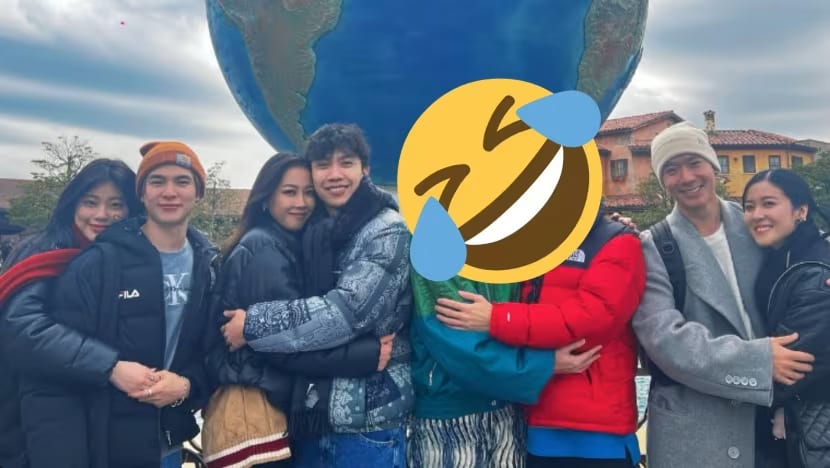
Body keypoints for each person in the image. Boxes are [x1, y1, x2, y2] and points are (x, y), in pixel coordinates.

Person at [18, 141, 220, 468]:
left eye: (182, 181)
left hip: (167, 442)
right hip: (103, 445)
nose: (169, 192)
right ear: (142, 194)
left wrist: (187, 386)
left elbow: (211, 351)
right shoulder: (94, 263)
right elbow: (48, 368)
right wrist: (111, 368)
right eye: (157, 181)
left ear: (198, 192)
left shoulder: (209, 266)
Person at [222, 123, 412, 467]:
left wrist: (252, 325)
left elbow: (343, 315)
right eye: (323, 165)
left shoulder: (386, 231)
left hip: (367, 422)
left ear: (365, 169)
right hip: (313, 414)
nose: (334, 174)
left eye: (346, 162)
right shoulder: (313, 230)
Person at [632, 122, 816, 468]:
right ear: (662, 180)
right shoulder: (653, 246)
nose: (686, 177)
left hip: (776, 421)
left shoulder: (756, 222)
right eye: (671, 169)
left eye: (694, 163)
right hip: (699, 433)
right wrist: (760, 360)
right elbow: (665, 340)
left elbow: (806, 252)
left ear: (713, 165)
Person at [433, 204, 646, 468]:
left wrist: (497, 318)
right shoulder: (532, 238)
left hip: (597, 432)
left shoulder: (616, 241)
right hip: (532, 423)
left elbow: (591, 321)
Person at [0, 158, 141, 468]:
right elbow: (21, 329)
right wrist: (109, 366)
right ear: (73, 204)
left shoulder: (121, 259)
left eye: (116, 204)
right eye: (90, 202)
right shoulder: (42, 251)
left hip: (93, 409)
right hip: (27, 412)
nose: (101, 214)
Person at [742, 169, 830, 467]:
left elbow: (794, 362)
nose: (757, 215)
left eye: (769, 203)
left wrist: (718, 378)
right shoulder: (780, 256)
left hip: (810, 433)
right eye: (749, 207)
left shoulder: (815, 273)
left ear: (800, 211)